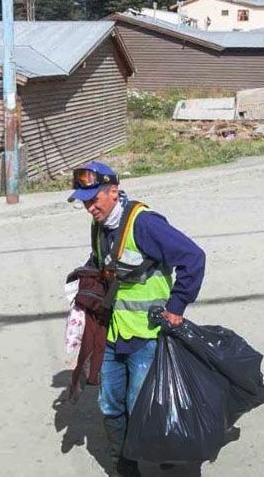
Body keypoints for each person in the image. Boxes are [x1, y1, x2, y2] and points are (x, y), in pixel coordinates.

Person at [68, 161, 206, 477]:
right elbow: (105, 265)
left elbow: (193, 258)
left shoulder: (145, 224)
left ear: (114, 192)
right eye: (84, 201)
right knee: (110, 406)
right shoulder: (99, 226)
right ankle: (125, 468)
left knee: (143, 408)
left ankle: (168, 460)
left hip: (147, 336)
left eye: (94, 199)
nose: (89, 207)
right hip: (113, 336)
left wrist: (176, 305)